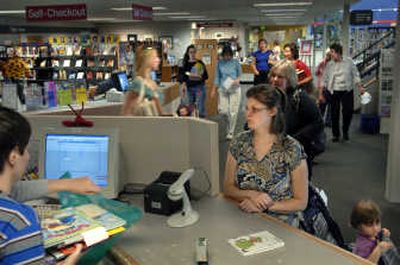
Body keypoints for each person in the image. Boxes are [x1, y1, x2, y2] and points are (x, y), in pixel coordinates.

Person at [0, 106, 96, 265]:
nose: (29, 156)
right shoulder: (17, 221)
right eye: (26, 149)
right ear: (13, 156)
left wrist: (66, 184)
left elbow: (11, 192)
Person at [224, 84, 308, 227]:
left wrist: (264, 206)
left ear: (272, 111)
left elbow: (301, 202)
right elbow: (228, 188)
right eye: (247, 108)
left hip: (280, 223)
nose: (247, 114)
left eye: (255, 110)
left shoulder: (291, 149)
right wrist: (252, 195)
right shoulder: (239, 142)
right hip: (243, 215)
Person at [269, 60, 324, 179]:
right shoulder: (269, 98)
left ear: (289, 79)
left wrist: (292, 140)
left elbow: (317, 123)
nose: (274, 79)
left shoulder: (300, 98)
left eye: (280, 77)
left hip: (297, 158)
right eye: (273, 76)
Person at [323, 43, 365, 142]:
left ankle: (345, 131)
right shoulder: (330, 64)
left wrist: (360, 87)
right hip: (334, 91)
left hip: (347, 90)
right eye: (330, 52)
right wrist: (323, 90)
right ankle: (335, 135)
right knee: (334, 113)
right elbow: (326, 78)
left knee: (348, 112)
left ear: (338, 52)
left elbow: (355, 75)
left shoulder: (349, 62)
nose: (331, 54)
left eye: (332, 52)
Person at [212, 45, 242, 140]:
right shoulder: (219, 63)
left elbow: (240, 74)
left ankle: (231, 131)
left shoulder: (236, 62)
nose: (227, 57)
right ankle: (228, 126)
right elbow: (217, 77)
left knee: (233, 111)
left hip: (234, 88)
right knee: (223, 111)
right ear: (222, 55)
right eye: (225, 55)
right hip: (223, 87)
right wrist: (213, 89)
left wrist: (237, 79)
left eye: (229, 55)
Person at [122, 46, 163, 116]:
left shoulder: (151, 82)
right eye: (155, 57)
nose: (158, 60)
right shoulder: (137, 83)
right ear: (148, 60)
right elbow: (126, 113)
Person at [350, 200, 394, 264]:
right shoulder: (363, 246)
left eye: (377, 222)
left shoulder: (370, 234)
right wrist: (379, 249)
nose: (375, 228)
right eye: (369, 225)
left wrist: (383, 233)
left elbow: (376, 235)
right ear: (358, 225)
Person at [180, 44, 209, 118]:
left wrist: (197, 76)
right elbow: (184, 77)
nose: (192, 54)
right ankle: (193, 124)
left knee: (200, 107)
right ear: (187, 53)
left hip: (199, 89)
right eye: (190, 52)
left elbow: (206, 76)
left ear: (196, 52)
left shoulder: (199, 63)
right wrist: (183, 86)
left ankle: (202, 123)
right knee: (191, 107)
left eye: (194, 52)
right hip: (189, 89)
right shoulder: (185, 64)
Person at [316, 48, 332, 126]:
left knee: (331, 106)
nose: (328, 56)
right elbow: (317, 73)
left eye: (330, 55)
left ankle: (328, 121)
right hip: (323, 88)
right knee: (322, 105)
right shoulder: (322, 63)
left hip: (331, 88)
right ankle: (319, 121)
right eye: (327, 55)